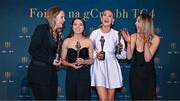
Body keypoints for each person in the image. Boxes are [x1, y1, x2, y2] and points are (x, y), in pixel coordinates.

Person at [27, 6, 65, 100]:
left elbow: (54, 53)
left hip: (51, 76)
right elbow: (32, 50)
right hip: (39, 75)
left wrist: (59, 62)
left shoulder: (58, 34)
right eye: (62, 17)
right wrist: (51, 60)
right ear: (54, 17)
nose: (64, 20)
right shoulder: (41, 29)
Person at [121, 13, 160, 100]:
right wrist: (129, 42)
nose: (135, 23)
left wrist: (146, 41)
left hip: (149, 75)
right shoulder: (133, 36)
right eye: (136, 21)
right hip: (136, 75)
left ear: (145, 24)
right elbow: (129, 57)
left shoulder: (156, 38)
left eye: (138, 21)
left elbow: (147, 58)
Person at [90, 9, 126, 101]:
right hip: (98, 66)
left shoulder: (117, 34)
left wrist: (120, 50)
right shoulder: (94, 33)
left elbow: (122, 56)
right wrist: (95, 55)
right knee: (103, 99)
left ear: (113, 20)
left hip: (112, 67)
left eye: (110, 16)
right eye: (104, 15)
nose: (106, 17)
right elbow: (88, 50)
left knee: (110, 99)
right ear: (101, 18)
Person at [61, 17, 93, 100]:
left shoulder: (88, 41)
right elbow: (62, 61)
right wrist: (70, 64)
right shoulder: (67, 41)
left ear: (84, 27)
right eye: (75, 24)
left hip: (84, 75)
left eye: (80, 25)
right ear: (72, 27)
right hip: (71, 75)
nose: (78, 27)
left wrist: (84, 61)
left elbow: (91, 60)